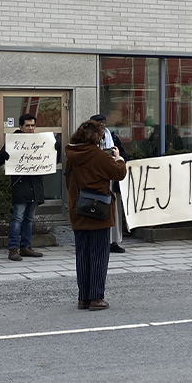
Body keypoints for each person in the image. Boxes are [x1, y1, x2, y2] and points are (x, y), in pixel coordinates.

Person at [64, 119, 128, 311]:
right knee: (99, 255)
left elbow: (68, 181)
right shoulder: (98, 155)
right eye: (101, 136)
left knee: (82, 255)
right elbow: (119, 173)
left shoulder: (71, 154)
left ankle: (83, 297)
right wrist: (119, 158)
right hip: (99, 210)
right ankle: (96, 298)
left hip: (78, 209)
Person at [0, 113, 52, 261]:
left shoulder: (40, 141)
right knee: (18, 217)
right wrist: (5, 153)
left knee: (29, 218)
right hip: (21, 184)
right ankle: (13, 248)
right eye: (27, 125)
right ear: (21, 127)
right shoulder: (13, 141)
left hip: (35, 185)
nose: (30, 128)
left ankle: (26, 247)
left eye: (33, 125)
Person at [91, 114, 128, 253]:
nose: (102, 127)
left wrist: (117, 156)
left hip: (111, 180)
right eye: (99, 125)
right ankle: (99, 241)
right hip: (96, 181)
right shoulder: (88, 140)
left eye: (103, 124)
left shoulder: (112, 138)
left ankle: (113, 241)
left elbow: (124, 156)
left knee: (114, 211)